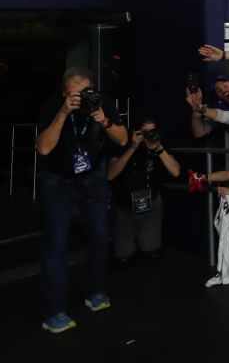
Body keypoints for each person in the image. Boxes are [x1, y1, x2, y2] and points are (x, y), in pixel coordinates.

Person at [34, 68, 129, 334]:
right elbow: (43, 148)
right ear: (64, 94)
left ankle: (96, 292)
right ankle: (53, 312)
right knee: (56, 243)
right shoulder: (52, 106)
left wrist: (106, 122)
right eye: (74, 94)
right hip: (58, 179)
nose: (81, 98)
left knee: (100, 236)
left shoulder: (102, 104)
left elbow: (123, 139)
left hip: (93, 177)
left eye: (85, 92)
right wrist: (64, 113)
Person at [106, 118, 180, 266]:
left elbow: (176, 171)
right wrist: (132, 147)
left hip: (150, 204)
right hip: (124, 206)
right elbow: (110, 175)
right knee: (122, 258)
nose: (149, 135)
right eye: (145, 132)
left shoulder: (159, 146)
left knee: (151, 253)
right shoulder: (122, 144)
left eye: (152, 131)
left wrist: (158, 148)